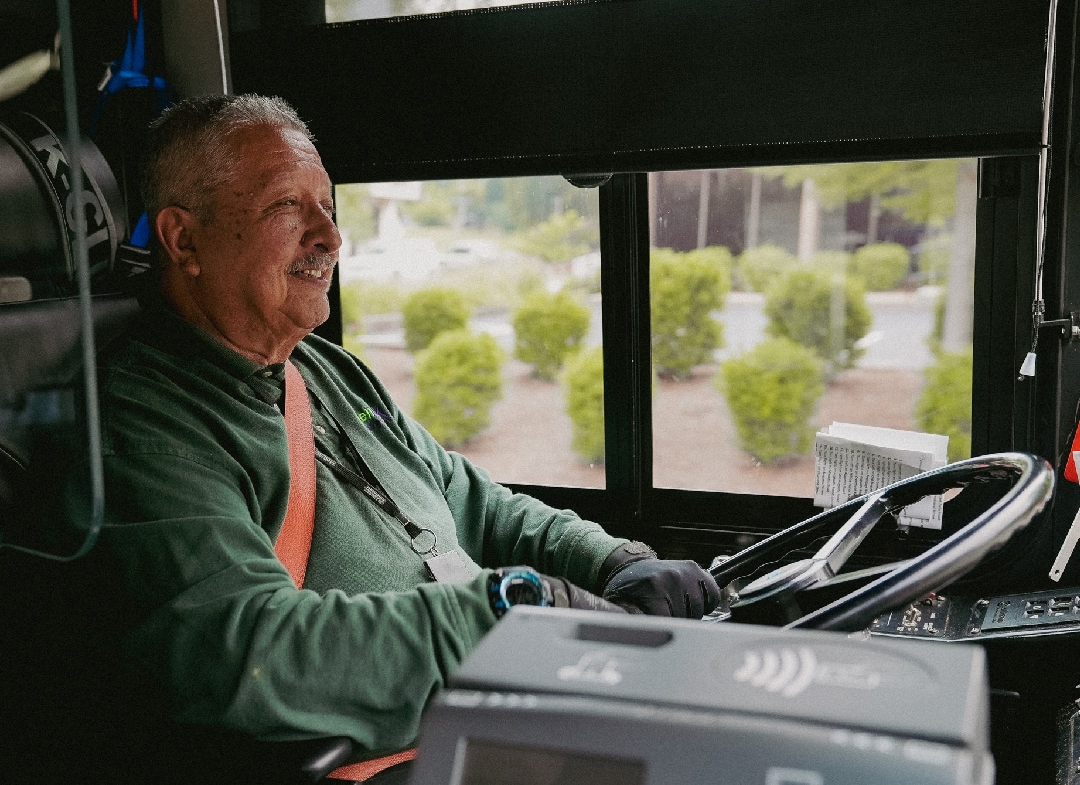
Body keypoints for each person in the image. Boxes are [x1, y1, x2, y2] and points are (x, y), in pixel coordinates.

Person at [58, 93, 719, 784]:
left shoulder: (324, 370)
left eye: (328, 207)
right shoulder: (145, 422)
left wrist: (611, 563)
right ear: (183, 239)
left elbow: (477, 505)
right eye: (288, 206)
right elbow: (251, 652)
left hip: (480, 718)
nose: (329, 237)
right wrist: (510, 611)